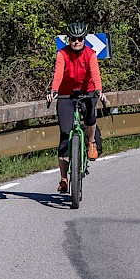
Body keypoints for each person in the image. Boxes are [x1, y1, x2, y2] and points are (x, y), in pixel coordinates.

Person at [47, 22, 108, 194]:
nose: (76, 42)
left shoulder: (90, 54)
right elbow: (58, 74)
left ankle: (91, 142)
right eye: (73, 39)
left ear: (84, 39)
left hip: (87, 92)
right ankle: (64, 179)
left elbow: (95, 74)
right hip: (66, 94)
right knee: (65, 135)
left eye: (80, 39)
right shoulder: (62, 54)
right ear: (69, 40)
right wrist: (54, 90)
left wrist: (99, 91)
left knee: (90, 117)